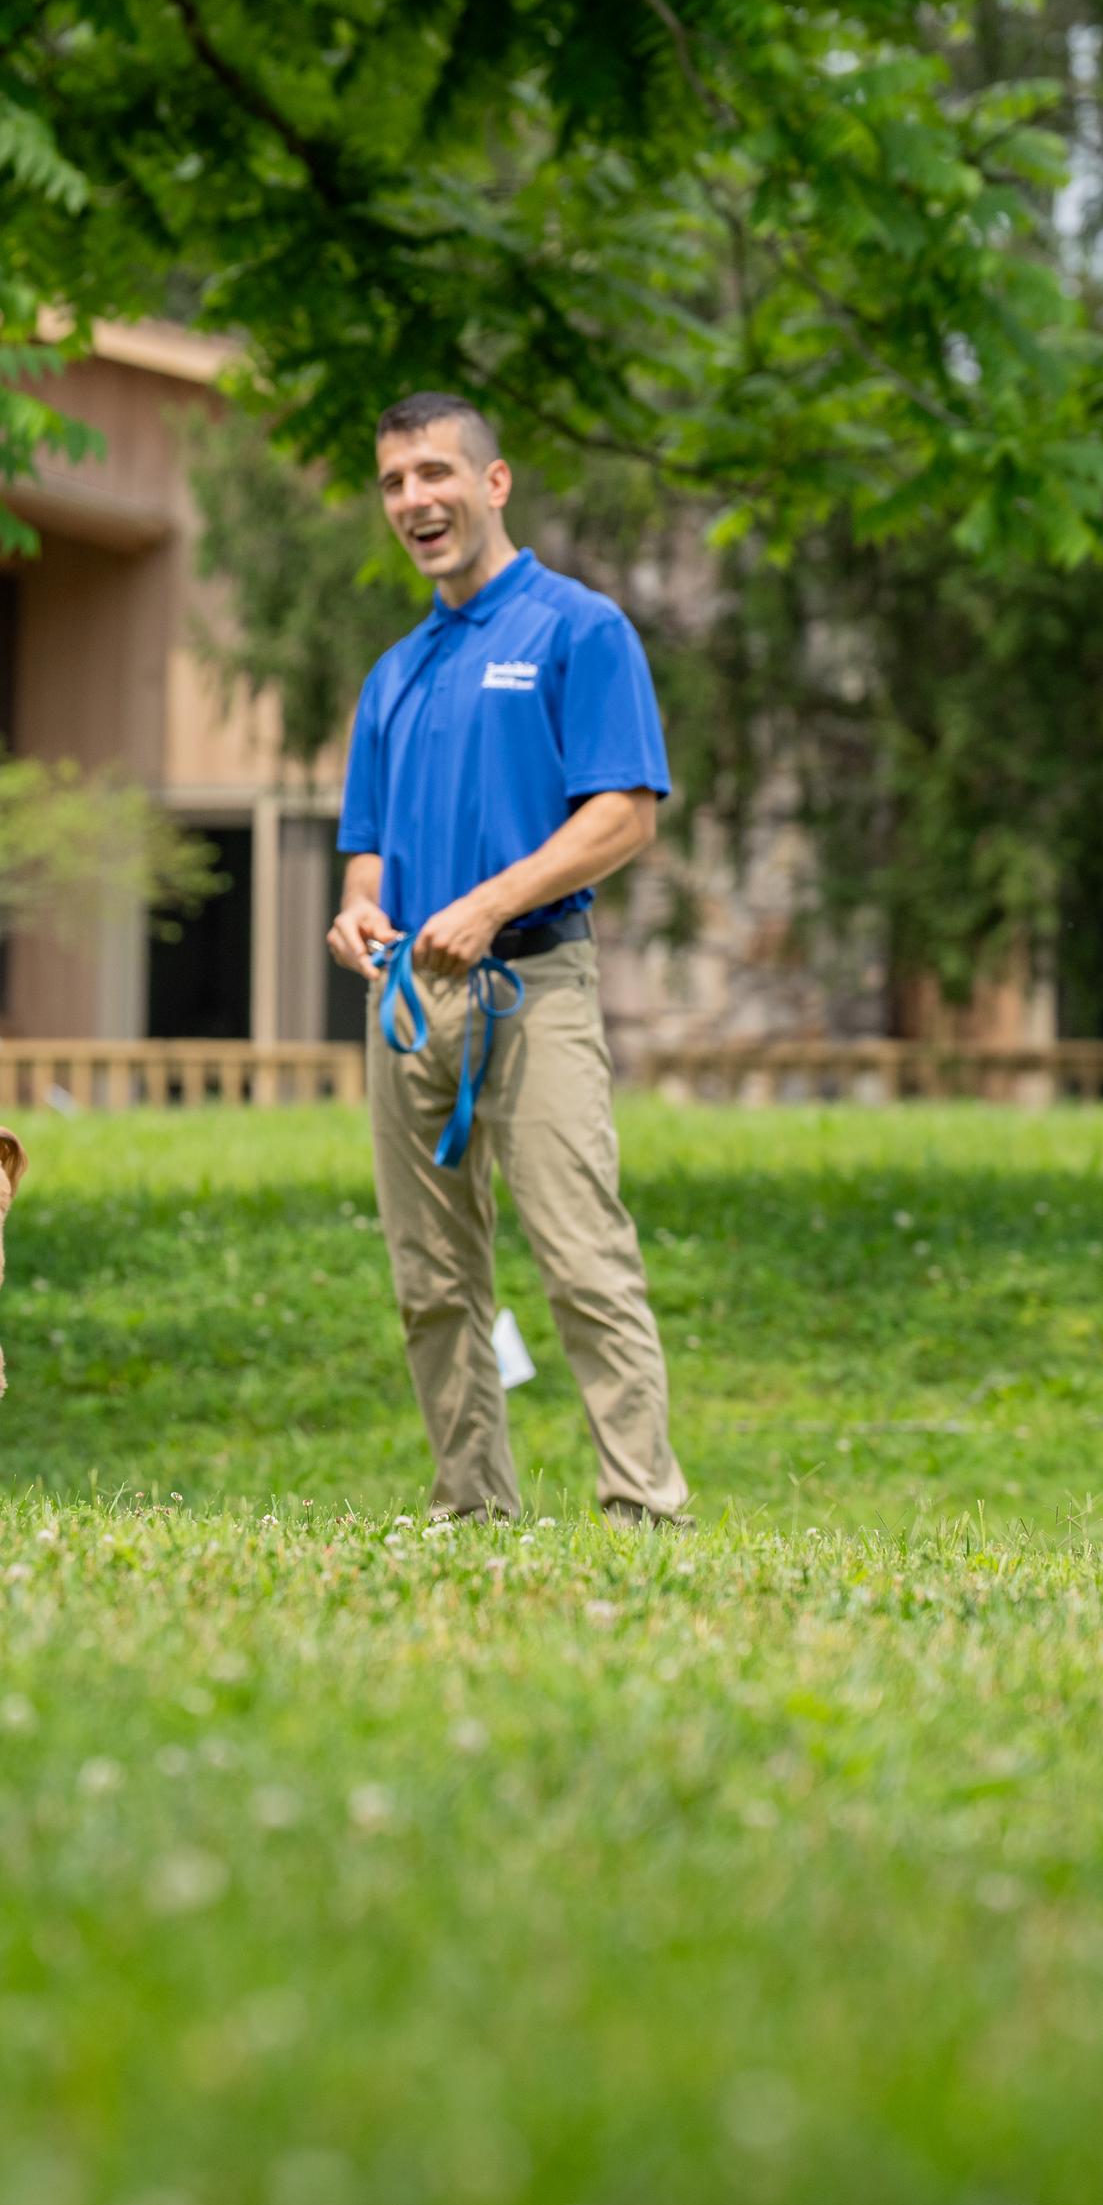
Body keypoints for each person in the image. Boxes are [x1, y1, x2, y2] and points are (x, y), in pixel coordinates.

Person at [327, 393, 692, 1528]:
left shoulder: (579, 630)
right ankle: (471, 1508)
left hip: (534, 985)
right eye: (393, 482)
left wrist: (490, 904)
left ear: (493, 484)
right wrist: (356, 916)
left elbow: (625, 815)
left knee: (584, 1259)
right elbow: (365, 854)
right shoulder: (394, 673)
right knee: (431, 1283)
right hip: (408, 1003)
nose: (413, 501)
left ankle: (644, 1507)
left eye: (434, 473)